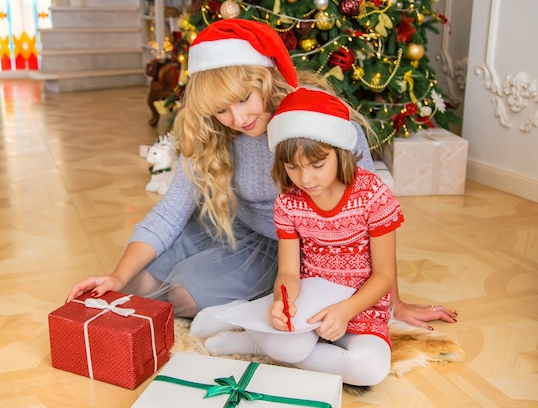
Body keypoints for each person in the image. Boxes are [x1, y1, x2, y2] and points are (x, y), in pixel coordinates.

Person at [66, 19, 457, 329]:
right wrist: (117, 277)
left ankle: (245, 303)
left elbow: (372, 219)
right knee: (138, 284)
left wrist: (395, 303)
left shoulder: (316, 121)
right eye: (222, 110)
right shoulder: (213, 131)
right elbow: (170, 213)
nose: (237, 119)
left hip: (292, 247)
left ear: (264, 79)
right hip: (235, 225)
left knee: (184, 296)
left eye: (243, 99)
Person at [191, 87, 401, 386]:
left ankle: (254, 344)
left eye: (317, 165)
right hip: (310, 303)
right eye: (292, 167)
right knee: (289, 344)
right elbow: (289, 272)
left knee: (369, 369)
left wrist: (346, 311)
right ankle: (254, 327)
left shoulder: (373, 194)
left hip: (360, 306)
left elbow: (384, 275)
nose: (305, 179)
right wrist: (282, 303)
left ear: (340, 152)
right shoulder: (290, 202)